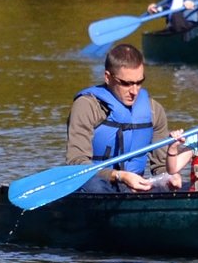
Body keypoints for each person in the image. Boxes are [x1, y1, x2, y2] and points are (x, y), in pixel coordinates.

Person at [67, 41, 188, 192]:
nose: (134, 91)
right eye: (126, 83)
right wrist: (119, 176)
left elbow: (161, 165)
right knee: (95, 187)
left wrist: (169, 177)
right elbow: (76, 163)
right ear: (108, 77)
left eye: (139, 83)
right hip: (99, 184)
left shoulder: (154, 110)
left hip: (137, 186)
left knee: (185, 187)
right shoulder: (86, 106)